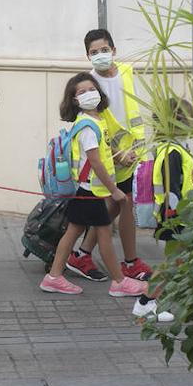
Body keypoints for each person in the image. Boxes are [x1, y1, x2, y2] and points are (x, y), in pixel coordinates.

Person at [42, 73, 147, 299]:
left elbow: (105, 156)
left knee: (74, 231)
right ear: (74, 100)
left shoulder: (97, 121)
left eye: (92, 89)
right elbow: (96, 162)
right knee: (104, 234)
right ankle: (119, 281)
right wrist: (115, 190)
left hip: (88, 190)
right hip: (91, 191)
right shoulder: (88, 126)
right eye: (82, 92)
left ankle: (54, 277)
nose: (89, 94)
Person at [67, 29, 153, 282]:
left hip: (133, 152)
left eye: (104, 50)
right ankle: (129, 262)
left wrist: (136, 148)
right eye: (94, 53)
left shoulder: (126, 72)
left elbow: (132, 111)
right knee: (122, 203)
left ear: (114, 50)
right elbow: (97, 125)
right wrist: (116, 154)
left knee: (116, 204)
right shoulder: (89, 84)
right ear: (87, 56)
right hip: (110, 157)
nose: (100, 56)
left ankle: (82, 255)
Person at [134, 98, 193, 323]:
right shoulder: (173, 151)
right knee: (173, 263)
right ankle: (146, 302)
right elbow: (172, 189)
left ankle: (156, 301)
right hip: (176, 217)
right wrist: (179, 216)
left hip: (175, 216)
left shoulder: (172, 149)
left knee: (179, 262)